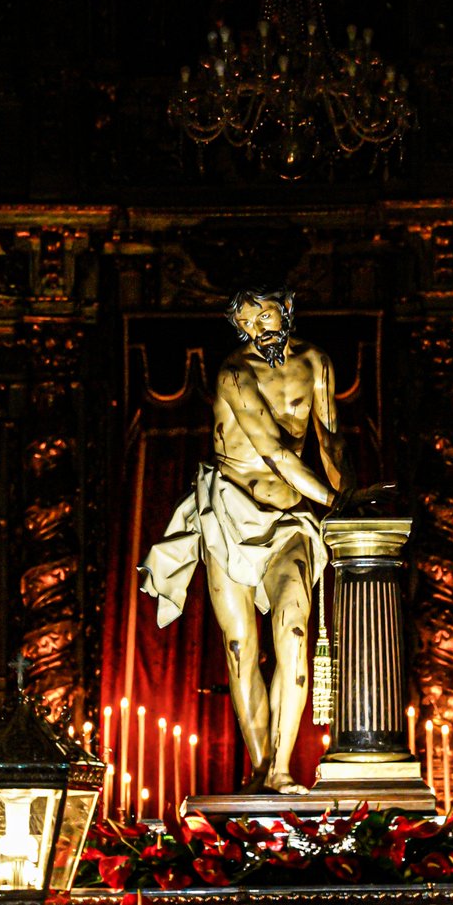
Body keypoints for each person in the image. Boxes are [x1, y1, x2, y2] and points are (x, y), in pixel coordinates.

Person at [139, 286, 356, 794]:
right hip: (230, 512)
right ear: (240, 327)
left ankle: (282, 766)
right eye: (251, 319)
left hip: (290, 517)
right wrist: (335, 501)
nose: (263, 326)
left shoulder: (316, 361)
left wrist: (347, 492)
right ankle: (261, 768)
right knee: (241, 648)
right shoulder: (234, 374)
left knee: (294, 630)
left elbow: (327, 436)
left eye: (269, 313)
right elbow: (275, 450)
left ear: (287, 309)